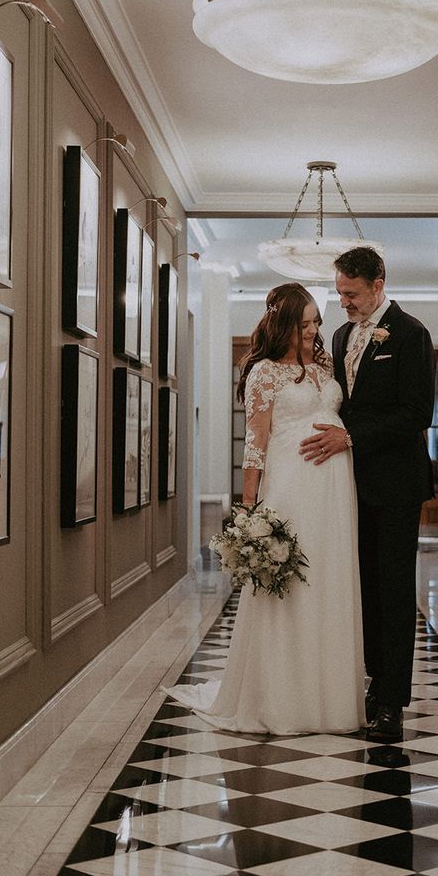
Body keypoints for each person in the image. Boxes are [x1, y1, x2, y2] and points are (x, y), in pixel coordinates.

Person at [165, 283, 365, 734]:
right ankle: (282, 698)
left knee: (330, 581)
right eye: (305, 324)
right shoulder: (264, 373)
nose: (314, 332)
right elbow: (255, 446)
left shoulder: (325, 365)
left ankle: (332, 698)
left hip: (335, 491)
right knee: (291, 584)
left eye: (317, 322)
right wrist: (250, 510)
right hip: (291, 486)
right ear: (283, 325)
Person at [300, 247, 435, 742]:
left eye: (351, 294)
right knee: (362, 589)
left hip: (396, 486)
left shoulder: (411, 333)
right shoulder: (339, 336)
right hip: (348, 487)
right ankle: (372, 686)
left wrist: (352, 437)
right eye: (339, 294)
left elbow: (417, 412)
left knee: (395, 592)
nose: (344, 304)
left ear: (379, 283)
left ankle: (393, 705)